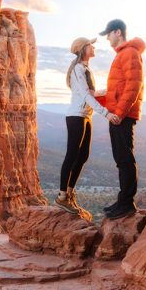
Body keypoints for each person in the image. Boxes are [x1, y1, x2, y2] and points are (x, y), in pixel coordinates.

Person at [55, 36, 120, 215]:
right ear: (84, 49)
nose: (94, 47)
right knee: (72, 155)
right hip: (76, 116)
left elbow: (89, 93)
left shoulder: (85, 69)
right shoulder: (78, 69)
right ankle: (61, 197)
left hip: (85, 116)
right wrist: (106, 113)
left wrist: (107, 92)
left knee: (82, 156)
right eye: (91, 45)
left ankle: (69, 192)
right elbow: (85, 96)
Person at [98, 18, 146, 219]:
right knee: (121, 158)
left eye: (108, 34)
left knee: (125, 159)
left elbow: (133, 86)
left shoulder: (129, 53)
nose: (107, 39)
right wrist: (95, 95)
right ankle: (123, 200)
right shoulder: (124, 54)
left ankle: (126, 204)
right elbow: (118, 88)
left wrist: (119, 113)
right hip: (119, 113)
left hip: (122, 115)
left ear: (118, 32)